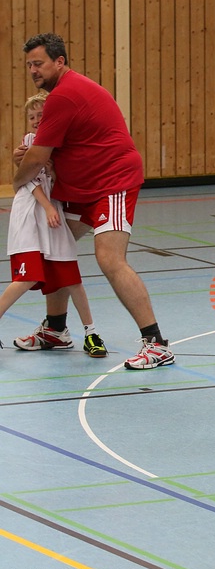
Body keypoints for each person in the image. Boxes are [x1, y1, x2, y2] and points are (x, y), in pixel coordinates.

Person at [12, 33, 173, 369]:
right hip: (81, 188)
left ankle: (156, 343)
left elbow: (37, 158)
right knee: (54, 247)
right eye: (29, 65)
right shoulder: (60, 95)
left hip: (110, 184)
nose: (33, 70)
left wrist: (17, 179)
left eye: (38, 63)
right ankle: (56, 329)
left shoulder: (65, 95)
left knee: (109, 258)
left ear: (59, 62)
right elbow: (48, 152)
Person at [1, 93, 106, 358]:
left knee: (71, 278)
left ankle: (91, 333)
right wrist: (47, 205)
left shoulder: (62, 143)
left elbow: (60, 178)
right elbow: (27, 179)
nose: (37, 120)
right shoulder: (30, 142)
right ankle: (55, 329)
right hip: (32, 211)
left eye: (41, 115)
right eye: (32, 116)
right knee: (27, 277)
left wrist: (54, 172)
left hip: (55, 212)